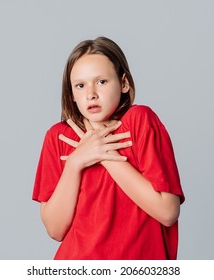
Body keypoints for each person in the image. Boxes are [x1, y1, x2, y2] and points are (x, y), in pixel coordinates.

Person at [32, 36, 185, 260]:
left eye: (101, 81)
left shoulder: (140, 121)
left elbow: (168, 212)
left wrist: (102, 153)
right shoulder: (58, 137)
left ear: (124, 83)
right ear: (72, 94)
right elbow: (55, 230)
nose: (91, 93)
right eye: (80, 85)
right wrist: (75, 163)